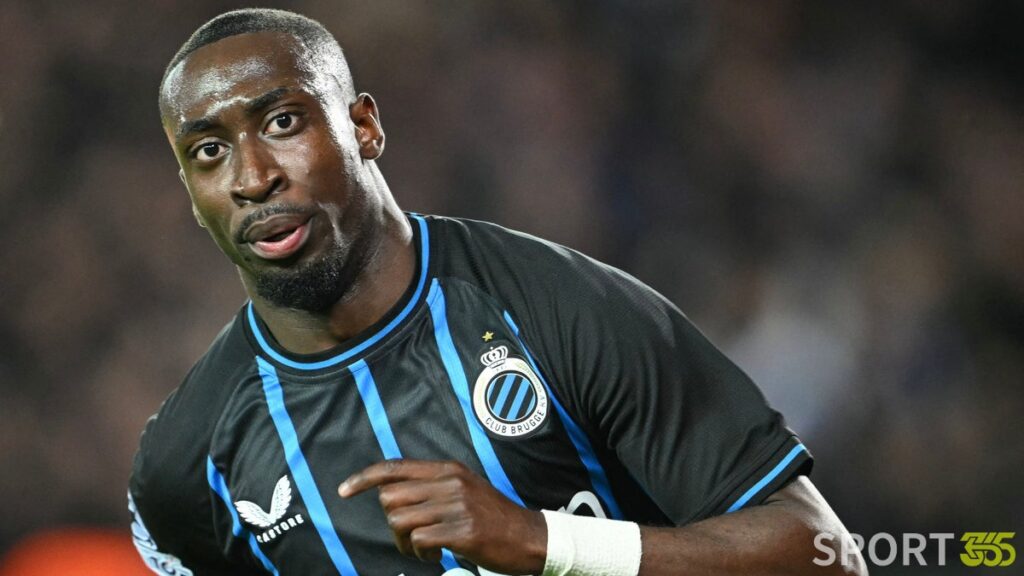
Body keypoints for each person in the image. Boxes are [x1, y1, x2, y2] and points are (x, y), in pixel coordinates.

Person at [129, 8, 865, 576]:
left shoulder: (557, 308)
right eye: (209, 151)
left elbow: (822, 553)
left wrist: (544, 542)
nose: (253, 177)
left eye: (283, 122)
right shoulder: (189, 462)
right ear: (191, 192)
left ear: (364, 127)